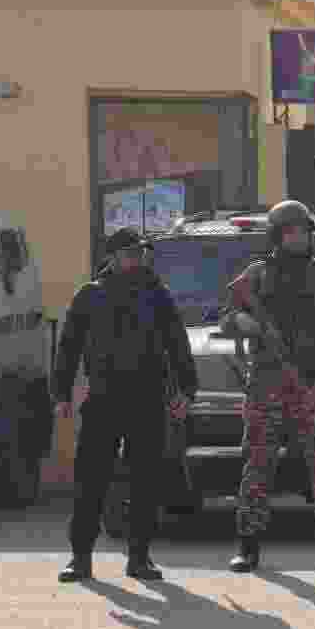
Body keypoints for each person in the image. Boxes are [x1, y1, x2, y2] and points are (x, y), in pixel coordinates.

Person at [219, 200, 315, 573]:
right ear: (278, 236)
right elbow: (227, 318)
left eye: (304, 231)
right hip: (267, 385)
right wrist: (244, 324)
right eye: (291, 231)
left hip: (311, 384)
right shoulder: (258, 274)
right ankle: (248, 546)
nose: (299, 238)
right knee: (259, 465)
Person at [52, 228, 197, 583]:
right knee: (91, 481)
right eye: (130, 254)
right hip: (103, 398)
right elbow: (68, 347)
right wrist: (61, 395)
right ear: (113, 258)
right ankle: (80, 558)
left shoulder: (157, 295)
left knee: (145, 482)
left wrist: (186, 390)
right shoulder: (90, 296)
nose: (137, 259)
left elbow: (177, 343)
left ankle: (140, 557)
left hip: (147, 398)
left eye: (140, 254)